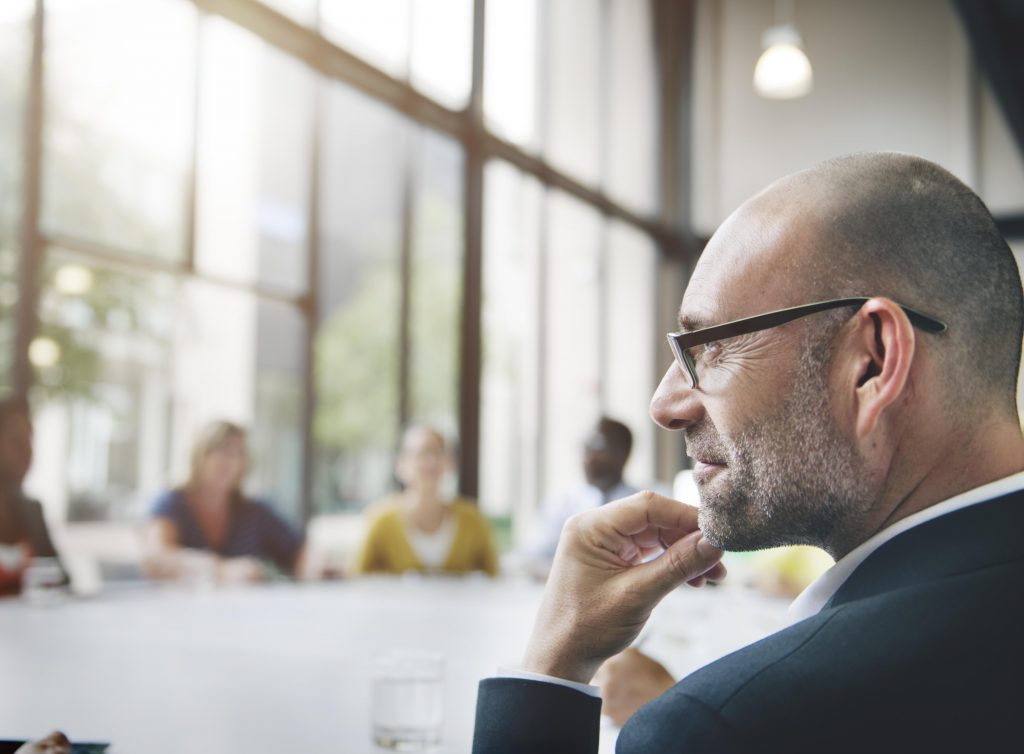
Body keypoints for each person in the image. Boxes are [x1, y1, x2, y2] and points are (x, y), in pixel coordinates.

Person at [472, 152, 1024, 752]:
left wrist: (555, 662)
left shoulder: (723, 725)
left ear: (873, 362)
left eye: (709, 347)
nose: (664, 404)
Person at [143, 420, 310, 584]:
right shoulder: (171, 503)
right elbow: (156, 558)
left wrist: (316, 566)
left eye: (239, 453)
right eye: (222, 451)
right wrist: (220, 569)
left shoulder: (255, 512)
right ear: (200, 455)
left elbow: (297, 552)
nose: (231, 461)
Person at [354, 425, 497, 576]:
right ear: (401, 464)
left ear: (450, 462)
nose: (431, 461)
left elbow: (495, 577)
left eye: (438, 452)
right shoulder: (380, 520)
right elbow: (356, 576)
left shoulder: (472, 519)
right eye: (422, 453)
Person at [523, 418, 638, 571]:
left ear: (623, 453)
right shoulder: (560, 504)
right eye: (585, 446)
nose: (587, 457)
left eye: (598, 446)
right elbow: (534, 556)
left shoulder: (646, 504)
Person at [0, 396, 68, 596]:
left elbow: (62, 582)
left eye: (30, 440)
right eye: (15, 441)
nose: (27, 452)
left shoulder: (32, 510)